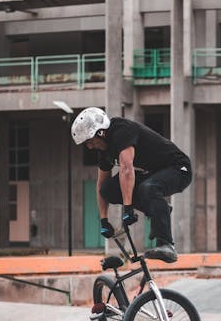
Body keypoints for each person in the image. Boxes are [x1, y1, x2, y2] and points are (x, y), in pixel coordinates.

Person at [71, 107, 192, 263]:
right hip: (153, 174)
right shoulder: (104, 152)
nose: (90, 147)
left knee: (149, 188)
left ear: (100, 132)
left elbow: (126, 169)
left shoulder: (122, 131)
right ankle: (159, 209)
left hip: (178, 169)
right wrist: (104, 220)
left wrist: (128, 208)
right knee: (108, 190)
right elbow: (101, 185)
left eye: (90, 141)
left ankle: (166, 244)